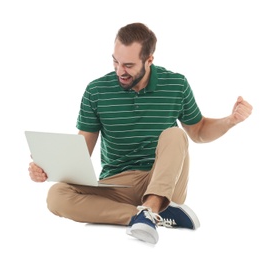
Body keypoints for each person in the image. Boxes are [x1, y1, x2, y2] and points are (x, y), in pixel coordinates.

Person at [28, 22, 253, 244]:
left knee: (175, 135)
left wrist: (231, 120)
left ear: (149, 60)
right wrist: (47, 167)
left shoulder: (176, 84)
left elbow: (199, 131)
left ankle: (154, 206)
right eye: (115, 61)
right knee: (56, 196)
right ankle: (145, 216)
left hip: (164, 181)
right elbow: (80, 153)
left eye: (128, 65)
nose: (119, 71)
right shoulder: (96, 90)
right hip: (116, 185)